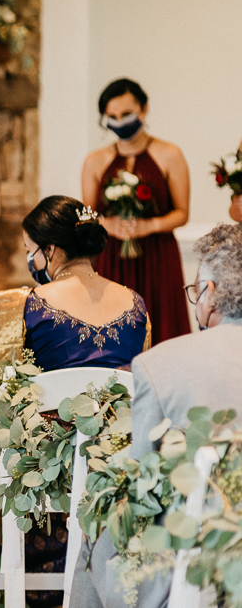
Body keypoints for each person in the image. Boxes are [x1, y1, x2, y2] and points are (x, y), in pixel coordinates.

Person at [0, 195, 151, 608]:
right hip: (120, 461)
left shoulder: (19, 304)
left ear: (49, 250)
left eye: (29, 251)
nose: (31, 260)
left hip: (46, 466)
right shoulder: (136, 302)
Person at [69, 222, 242, 608]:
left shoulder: (161, 363)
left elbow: (141, 478)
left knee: (97, 527)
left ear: (209, 295)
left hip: (197, 554)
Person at [82, 78, 191, 344]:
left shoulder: (170, 154)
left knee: (163, 333)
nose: (120, 121)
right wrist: (108, 225)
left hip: (158, 256)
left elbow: (182, 212)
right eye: (112, 117)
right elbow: (87, 214)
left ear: (144, 109)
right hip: (112, 259)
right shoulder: (95, 161)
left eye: (127, 114)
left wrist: (149, 226)